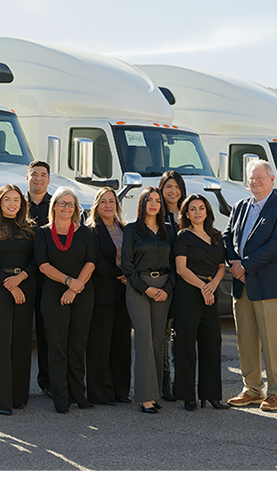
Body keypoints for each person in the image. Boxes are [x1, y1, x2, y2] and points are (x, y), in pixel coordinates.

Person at [223, 160, 277, 412]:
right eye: (251, 179)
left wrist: (245, 265)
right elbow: (226, 236)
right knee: (246, 340)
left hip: (271, 286)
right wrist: (234, 264)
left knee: (274, 341)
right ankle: (252, 389)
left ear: (271, 180)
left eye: (260, 178)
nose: (255, 183)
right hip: (242, 284)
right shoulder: (239, 206)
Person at [34, 187, 97, 414]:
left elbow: (90, 262)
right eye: (62, 203)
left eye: (71, 204)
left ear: (76, 208)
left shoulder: (85, 233)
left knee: (77, 345)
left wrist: (75, 286)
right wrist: (69, 282)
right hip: (53, 294)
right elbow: (43, 265)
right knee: (57, 346)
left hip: (82, 294)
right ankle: (60, 396)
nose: (67, 207)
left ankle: (78, 394)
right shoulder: (42, 233)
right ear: (54, 207)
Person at [0, 184, 37, 415]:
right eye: (8, 200)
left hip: (26, 284)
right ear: (0, 203)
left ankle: (18, 397)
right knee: (0, 342)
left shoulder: (31, 229)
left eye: (16, 200)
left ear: (22, 203)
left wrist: (21, 278)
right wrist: (10, 285)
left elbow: (38, 259)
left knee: (22, 340)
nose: (12, 204)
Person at [122, 187, 176, 414]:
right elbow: (127, 265)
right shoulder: (132, 230)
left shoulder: (170, 231)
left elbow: (175, 265)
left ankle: (154, 394)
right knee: (143, 339)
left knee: (157, 341)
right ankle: (144, 397)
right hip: (138, 288)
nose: (154, 204)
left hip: (164, 289)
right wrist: (146, 289)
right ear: (142, 203)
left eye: (157, 200)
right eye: (149, 200)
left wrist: (165, 288)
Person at [173, 194, 229, 411]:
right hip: (189, 291)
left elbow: (221, 265)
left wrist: (212, 285)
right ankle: (188, 396)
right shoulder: (183, 236)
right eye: (193, 209)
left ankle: (212, 395)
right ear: (186, 213)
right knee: (186, 344)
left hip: (210, 292)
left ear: (207, 211)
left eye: (201, 208)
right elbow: (181, 269)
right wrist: (202, 287)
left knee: (212, 343)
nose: (198, 212)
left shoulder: (216, 236)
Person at [86, 187, 133, 405]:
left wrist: (129, 276)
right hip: (102, 292)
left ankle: (120, 390)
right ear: (97, 205)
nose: (108, 205)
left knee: (121, 342)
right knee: (100, 344)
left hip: (124, 293)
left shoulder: (124, 228)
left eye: (111, 201)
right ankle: (99, 392)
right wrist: (122, 274)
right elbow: (96, 261)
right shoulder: (92, 230)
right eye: (103, 201)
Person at [157, 170, 187, 402]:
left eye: (176, 186)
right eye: (168, 186)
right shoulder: (156, 213)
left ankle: (182, 382)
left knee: (182, 336)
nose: (173, 191)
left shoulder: (190, 212)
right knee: (163, 335)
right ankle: (164, 382)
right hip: (165, 281)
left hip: (187, 282)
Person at [26, 161, 53, 397]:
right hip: (22, 277)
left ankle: (47, 381)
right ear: (27, 178)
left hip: (48, 278)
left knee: (46, 331)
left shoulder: (56, 205)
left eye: (43, 175)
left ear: (48, 180)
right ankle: (18, 384)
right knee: (22, 331)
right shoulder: (15, 202)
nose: (38, 179)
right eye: (34, 174)